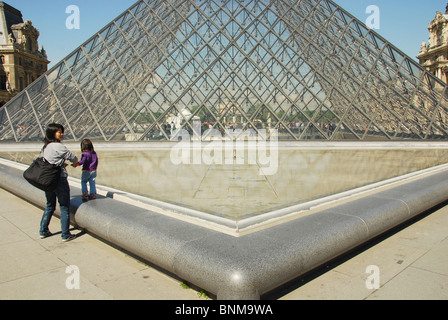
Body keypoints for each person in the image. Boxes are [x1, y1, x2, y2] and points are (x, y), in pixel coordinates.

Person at [39, 123, 78, 242]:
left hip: (47, 180)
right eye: (59, 132)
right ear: (53, 133)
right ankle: (65, 234)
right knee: (64, 206)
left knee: (50, 205)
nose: (62, 134)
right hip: (59, 179)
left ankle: (43, 230)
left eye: (62, 132)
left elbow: (47, 161)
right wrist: (75, 163)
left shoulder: (45, 147)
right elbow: (73, 157)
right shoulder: (58, 146)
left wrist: (61, 162)